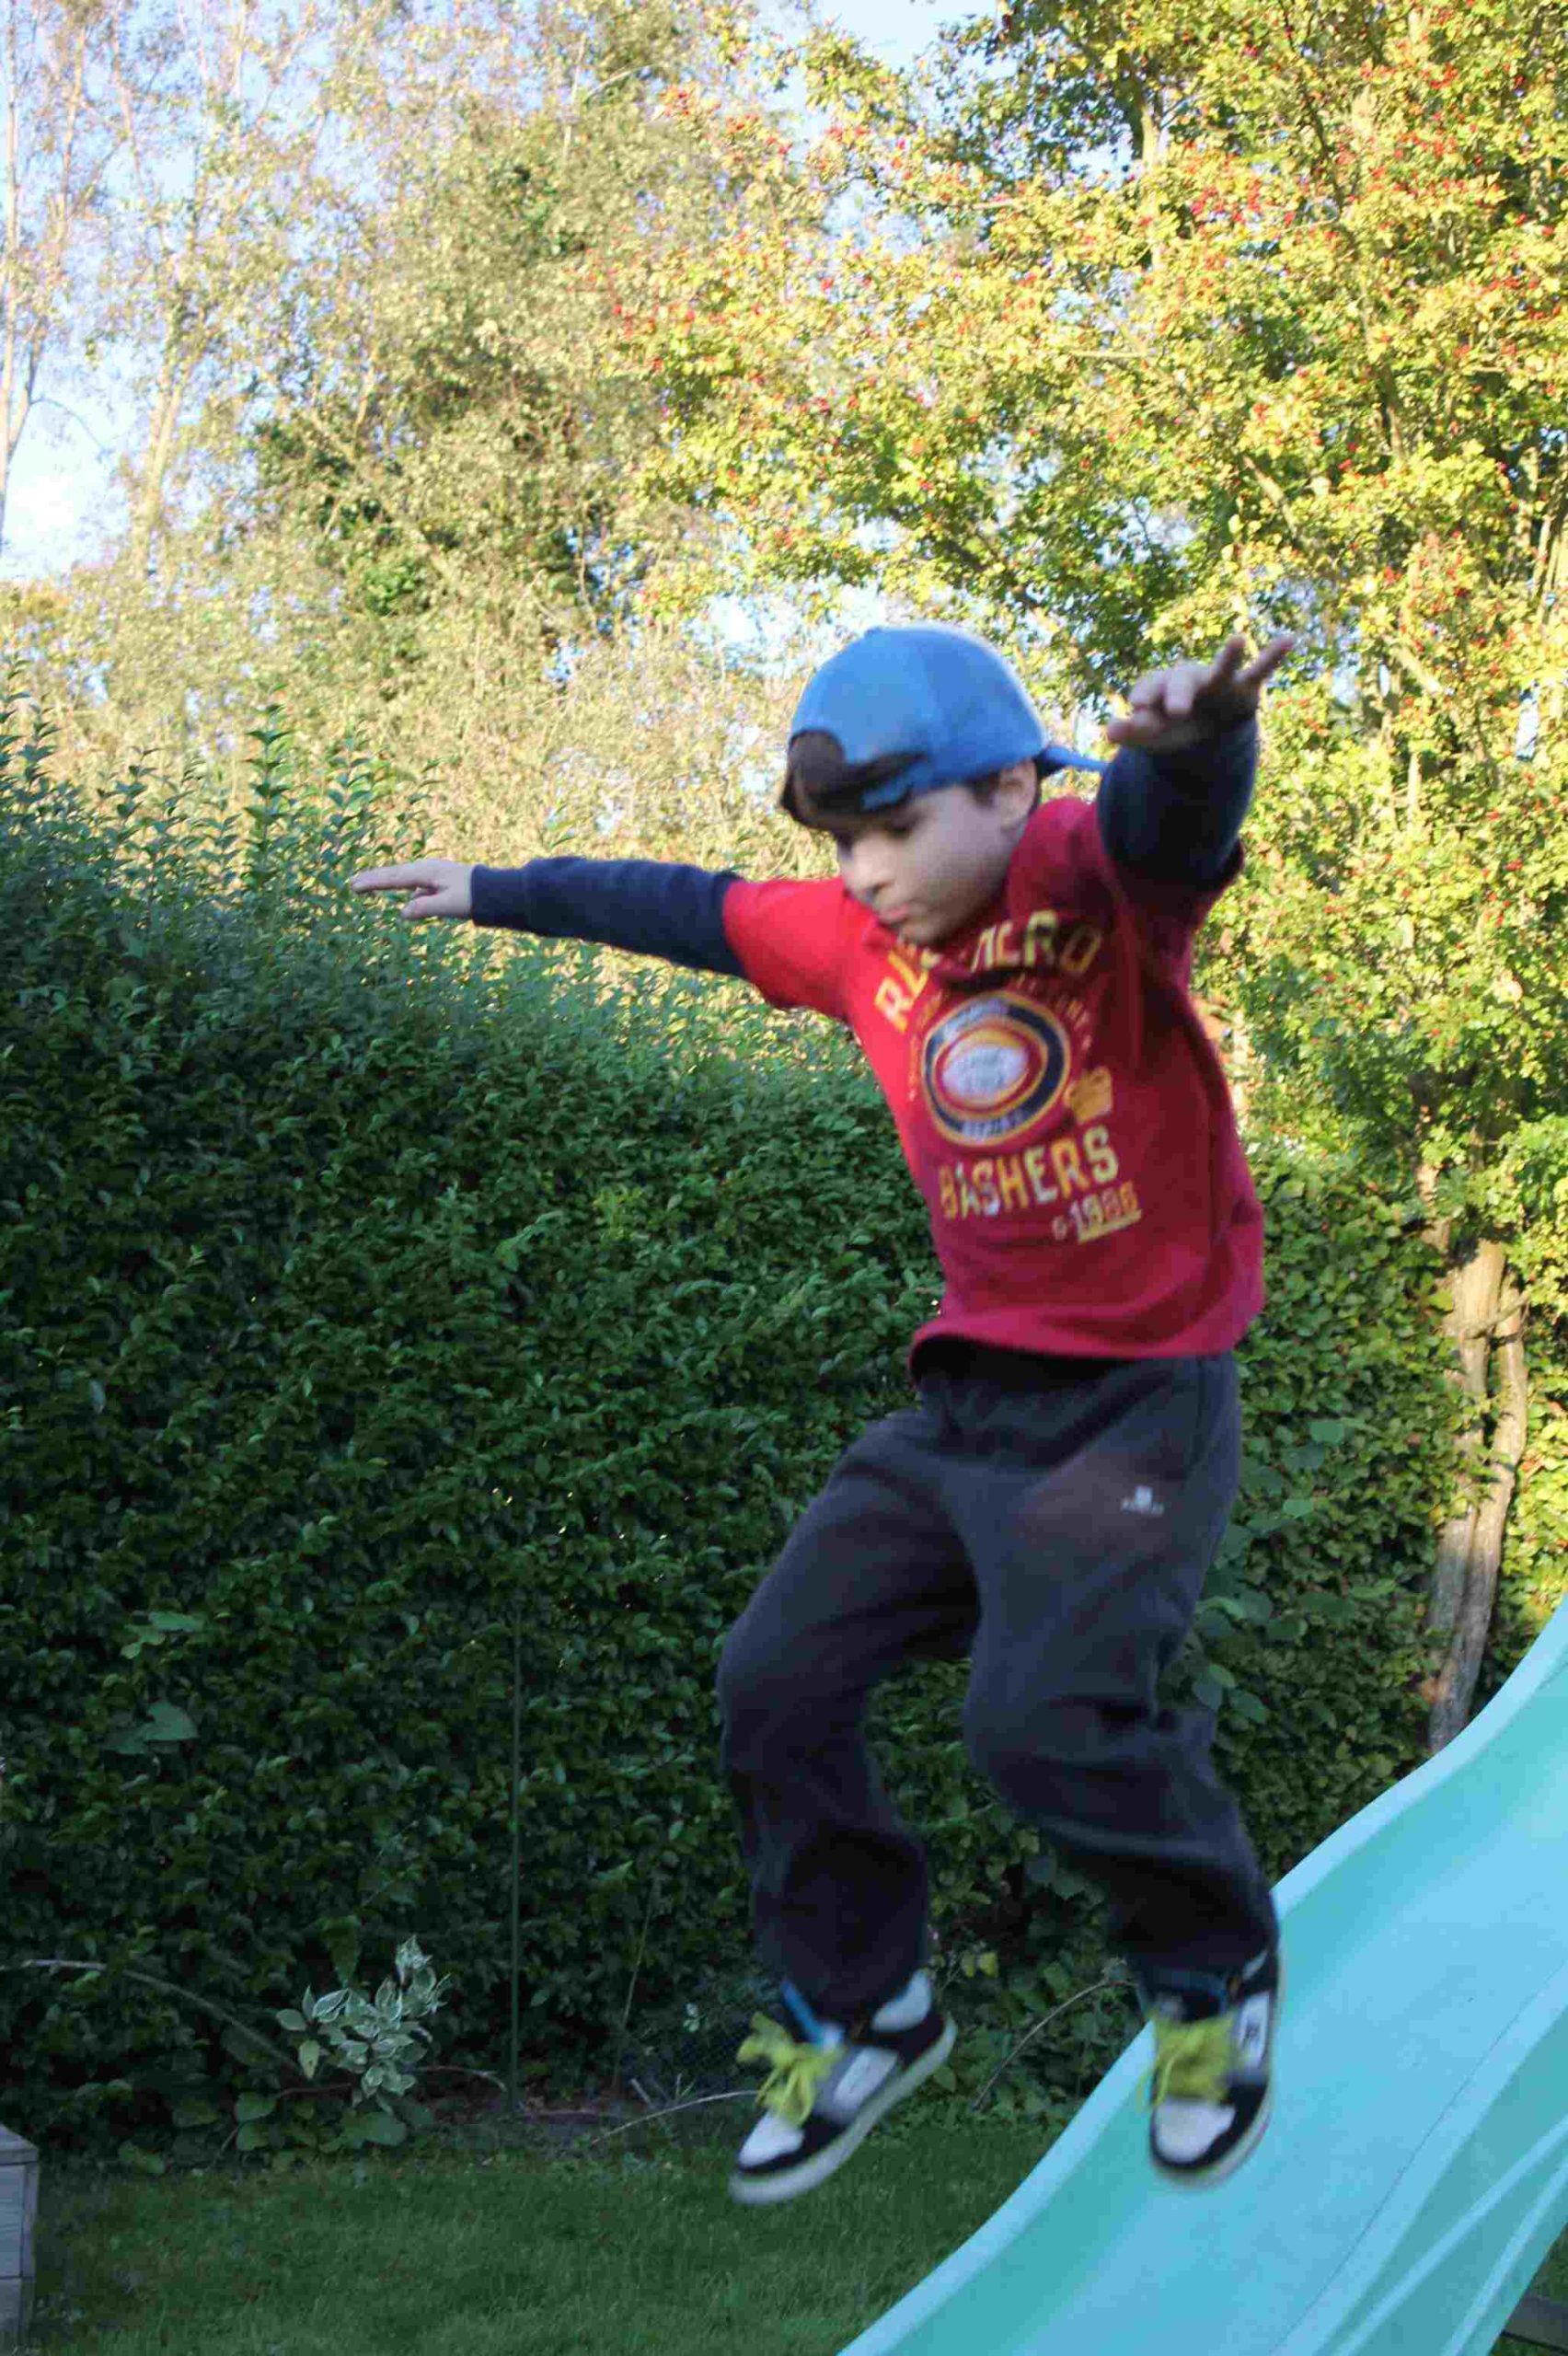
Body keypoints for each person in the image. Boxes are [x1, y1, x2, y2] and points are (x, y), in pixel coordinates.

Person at [351, 621, 1293, 2206]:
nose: (866, 873)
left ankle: (1211, 1974)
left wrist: (1199, 745)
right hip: (966, 1409)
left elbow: (1171, 826)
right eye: (842, 842)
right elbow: (685, 907)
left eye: (896, 831)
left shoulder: (1091, 876)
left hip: (1133, 1410)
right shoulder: (858, 941)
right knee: (771, 1682)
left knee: (1037, 1719)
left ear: (1009, 790)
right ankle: (868, 2003)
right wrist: (499, 890)